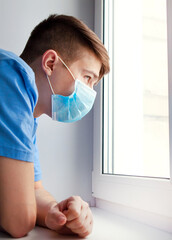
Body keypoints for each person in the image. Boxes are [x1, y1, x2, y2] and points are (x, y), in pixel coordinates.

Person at [0, 14, 110, 238]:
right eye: (87, 78)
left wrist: (57, 213)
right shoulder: (10, 78)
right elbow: (19, 221)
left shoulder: (28, 118)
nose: (89, 93)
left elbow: (34, 189)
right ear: (50, 63)